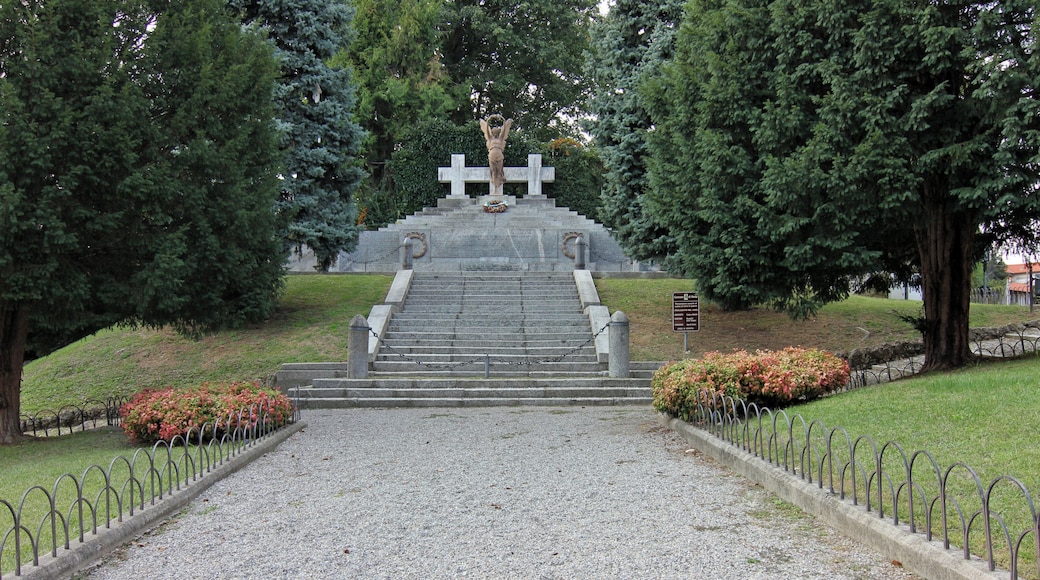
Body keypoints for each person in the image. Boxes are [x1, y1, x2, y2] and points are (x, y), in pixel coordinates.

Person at [480, 115, 513, 196]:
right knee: (493, 171)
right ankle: (495, 189)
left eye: (496, 132)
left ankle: (498, 190)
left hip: (499, 155)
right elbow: (487, 131)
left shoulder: (500, 139)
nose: (495, 133)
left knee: (499, 171)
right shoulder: (490, 139)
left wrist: (503, 120)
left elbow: (504, 129)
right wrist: (488, 120)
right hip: (491, 155)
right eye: (494, 132)